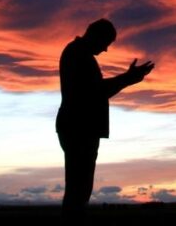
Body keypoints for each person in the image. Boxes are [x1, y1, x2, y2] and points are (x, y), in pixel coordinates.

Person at [55, 18, 154, 222]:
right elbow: (95, 92)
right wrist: (128, 79)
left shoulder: (78, 54)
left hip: (78, 127)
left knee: (79, 186)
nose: (106, 49)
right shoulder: (77, 54)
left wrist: (128, 78)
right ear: (95, 36)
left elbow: (96, 90)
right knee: (79, 187)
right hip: (79, 128)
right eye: (106, 43)